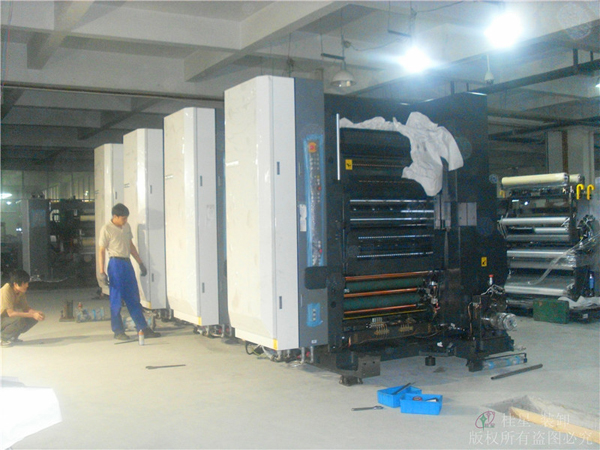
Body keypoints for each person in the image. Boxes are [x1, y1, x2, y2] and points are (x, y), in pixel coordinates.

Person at [98, 203, 160, 340]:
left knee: (133, 298)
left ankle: (143, 328)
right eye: (123, 218)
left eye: (126, 218)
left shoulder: (126, 227)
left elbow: (131, 246)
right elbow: (101, 250)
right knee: (116, 299)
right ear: (115, 216)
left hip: (127, 264)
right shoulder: (106, 229)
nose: (125, 221)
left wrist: (140, 263)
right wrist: (101, 271)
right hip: (115, 265)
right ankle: (118, 331)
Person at [1, 269, 45, 346]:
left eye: (27, 283)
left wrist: (36, 313)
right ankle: (2, 338)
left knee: (33, 318)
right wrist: (32, 314)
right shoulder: (6, 290)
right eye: (24, 283)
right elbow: (11, 313)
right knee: (19, 318)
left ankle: (12, 336)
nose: (27, 285)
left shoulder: (20, 291)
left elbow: (26, 308)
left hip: (6, 319)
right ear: (15, 284)